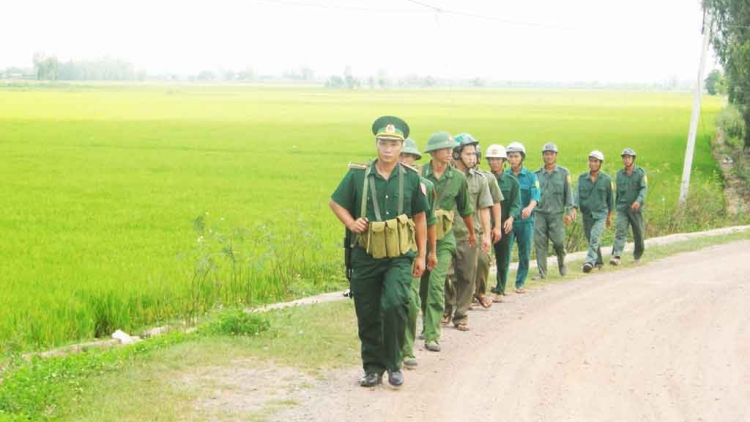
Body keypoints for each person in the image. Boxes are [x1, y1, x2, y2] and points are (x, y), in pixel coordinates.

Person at [329, 116, 429, 388]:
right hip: (366, 255)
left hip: (399, 256)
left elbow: (420, 217)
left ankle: (394, 364)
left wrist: (421, 255)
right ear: (376, 144)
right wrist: (351, 222)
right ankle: (372, 368)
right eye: (383, 143)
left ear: (401, 147)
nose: (387, 149)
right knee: (368, 311)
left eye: (393, 144)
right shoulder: (358, 175)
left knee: (396, 304)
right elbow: (335, 202)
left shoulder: (410, 178)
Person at [419, 132, 475, 352]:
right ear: (433, 153)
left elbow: (466, 209)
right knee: (423, 285)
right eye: (445, 149)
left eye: (452, 149)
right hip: (420, 239)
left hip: (444, 239)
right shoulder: (419, 174)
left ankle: (432, 335)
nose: (450, 152)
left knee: (435, 283)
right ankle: (426, 323)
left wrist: (472, 233)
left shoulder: (458, 178)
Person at [443, 133, 492, 331]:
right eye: (468, 153)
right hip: (445, 234)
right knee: (443, 274)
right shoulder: (444, 177)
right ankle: (446, 307)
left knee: (466, 276)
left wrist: (487, 234)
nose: (472, 157)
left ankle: (461, 315)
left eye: (474, 154)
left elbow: (484, 208)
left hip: (469, 235)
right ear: (456, 154)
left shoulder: (480, 180)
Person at [398, 138, 438, 370]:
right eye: (403, 156)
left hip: (412, 252)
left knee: (411, 300)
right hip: (387, 251)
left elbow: (429, 221)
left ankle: (406, 348)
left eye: (410, 158)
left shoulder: (425, 187)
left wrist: (430, 252)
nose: (406, 161)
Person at [533, 142, 575, 279]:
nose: (549, 156)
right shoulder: (536, 175)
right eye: (546, 154)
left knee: (559, 242)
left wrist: (569, 212)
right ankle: (542, 273)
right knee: (540, 244)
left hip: (556, 214)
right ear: (543, 156)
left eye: (551, 154)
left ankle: (561, 262)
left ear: (556, 156)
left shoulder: (563, 173)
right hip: (539, 213)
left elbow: (568, 194)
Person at [486, 144, 522, 302]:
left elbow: (516, 203)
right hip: (485, 225)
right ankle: (478, 291)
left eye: (497, 159)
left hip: (504, 225)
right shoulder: (483, 178)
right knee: (481, 260)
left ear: (503, 161)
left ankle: (500, 290)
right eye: (491, 159)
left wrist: (511, 218)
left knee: (503, 259)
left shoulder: (512, 182)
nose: (494, 162)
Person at [506, 142, 540, 293]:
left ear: (522, 158)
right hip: (508, 221)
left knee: (524, 253)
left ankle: (520, 283)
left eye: (516, 156)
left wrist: (529, 208)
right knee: (505, 253)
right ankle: (502, 284)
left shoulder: (531, 176)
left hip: (525, 221)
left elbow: (536, 196)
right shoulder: (504, 176)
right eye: (510, 156)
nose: (513, 159)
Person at [472, 145, 503, 308]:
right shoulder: (454, 177)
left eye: (474, 155)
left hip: (482, 228)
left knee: (483, 260)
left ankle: (480, 292)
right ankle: (463, 297)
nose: (471, 158)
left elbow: (496, 202)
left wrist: (496, 226)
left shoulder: (487, 177)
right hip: (462, 228)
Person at [574, 150, 614, 273]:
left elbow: (610, 200)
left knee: (594, 237)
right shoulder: (582, 178)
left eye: (596, 161)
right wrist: (574, 208)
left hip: (601, 214)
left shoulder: (606, 179)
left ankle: (589, 262)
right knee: (590, 238)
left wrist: (609, 217)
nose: (593, 163)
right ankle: (598, 261)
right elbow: (577, 195)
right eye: (591, 161)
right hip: (587, 214)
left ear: (600, 163)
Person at [611, 148, 648, 265]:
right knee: (620, 230)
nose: (626, 160)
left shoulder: (640, 173)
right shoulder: (619, 175)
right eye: (624, 157)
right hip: (622, 207)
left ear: (633, 159)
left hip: (635, 208)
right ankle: (616, 256)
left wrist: (638, 201)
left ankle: (637, 256)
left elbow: (644, 189)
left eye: (629, 157)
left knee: (638, 232)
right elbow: (617, 193)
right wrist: (614, 207)